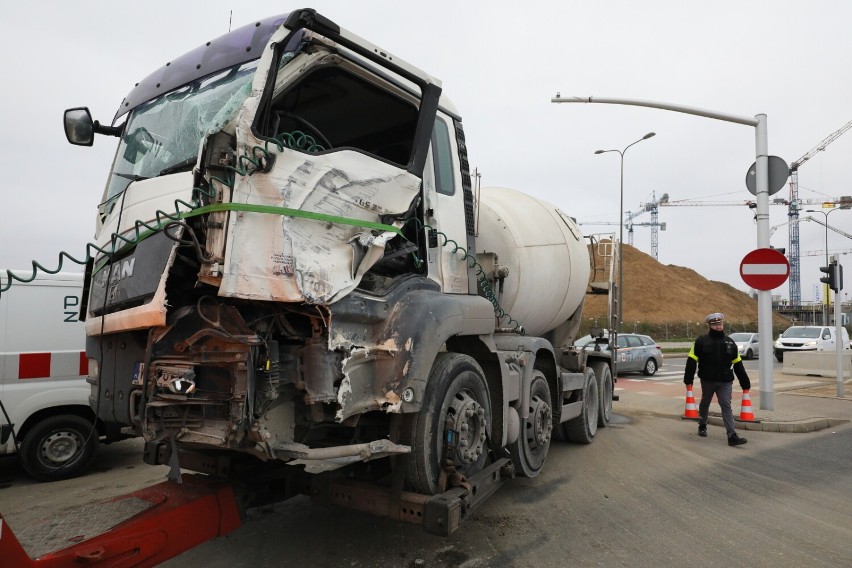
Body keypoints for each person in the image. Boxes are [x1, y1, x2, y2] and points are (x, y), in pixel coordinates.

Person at [683, 312, 751, 446]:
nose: (718, 326)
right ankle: (702, 424)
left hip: (725, 381)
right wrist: (688, 380)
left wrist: (745, 383)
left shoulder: (730, 342)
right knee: (705, 402)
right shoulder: (701, 341)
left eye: (720, 324)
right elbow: (691, 361)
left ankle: (732, 435)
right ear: (710, 325)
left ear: (723, 324)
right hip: (707, 380)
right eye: (715, 324)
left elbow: (738, 364)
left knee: (726, 405)